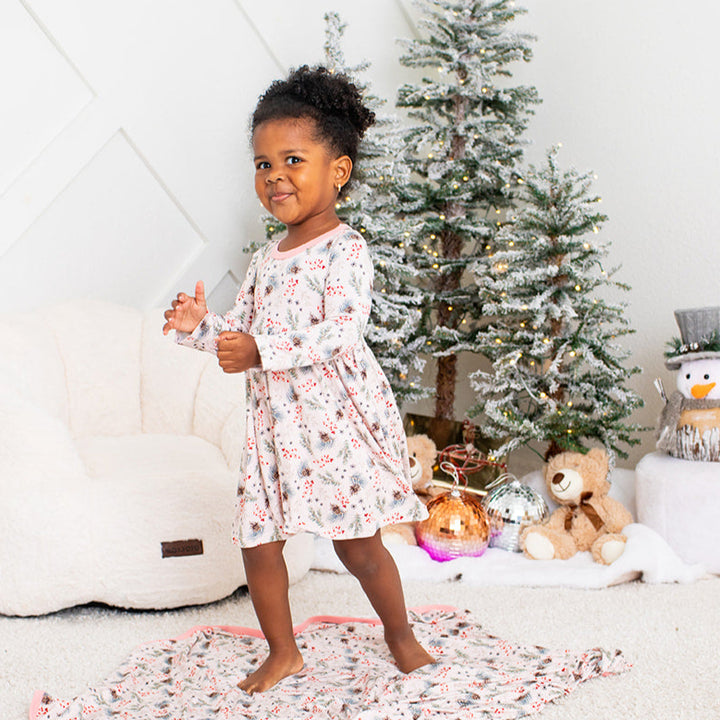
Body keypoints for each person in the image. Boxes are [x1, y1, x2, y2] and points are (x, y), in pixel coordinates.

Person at [162, 65, 433, 694]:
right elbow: (244, 335)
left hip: (331, 425)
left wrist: (256, 348)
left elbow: (336, 333)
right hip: (273, 429)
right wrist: (204, 329)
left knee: (358, 548)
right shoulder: (266, 259)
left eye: (291, 160)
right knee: (258, 546)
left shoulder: (346, 250)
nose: (274, 175)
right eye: (262, 164)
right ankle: (283, 652)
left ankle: (400, 635)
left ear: (337, 171)